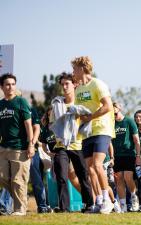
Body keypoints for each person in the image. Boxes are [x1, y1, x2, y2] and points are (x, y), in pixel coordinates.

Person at [71, 56, 115, 214]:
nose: (73, 72)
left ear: (82, 68)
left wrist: (90, 117)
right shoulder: (78, 89)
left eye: (74, 69)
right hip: (86, 132)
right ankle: (98, 201)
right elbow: (78, 112)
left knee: (97, 165)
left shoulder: (97, 84)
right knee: (90, 169)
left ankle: (107, 201)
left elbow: (108, 106)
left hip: (102, 129)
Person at [49, 72, 94, 213]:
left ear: (75, 84)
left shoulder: (81, 104)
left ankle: (88, 205)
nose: (64, 86)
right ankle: (64, 208)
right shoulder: (57, 104)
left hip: (78, 144)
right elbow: (52, 124)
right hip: (61, 145)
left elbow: (89, 120)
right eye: (62, 84)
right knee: (61, 176)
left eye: (67, 83)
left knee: (83, 176)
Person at [0, 73, 34, 216]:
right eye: (7, 84)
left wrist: (31, 144)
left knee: (18, 180)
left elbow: (29, 125)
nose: (11, 87)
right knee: (2, 177)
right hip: (3, 148)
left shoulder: (21, 102)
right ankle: (20, 201)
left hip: (20, 148)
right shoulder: (0, 104)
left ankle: (20, 210)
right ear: (2, 87)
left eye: (13, 84)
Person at [112, 102, 140, 212]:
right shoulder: (111, 123)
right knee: (119, 179)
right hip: (116, 155)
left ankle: (134, 197)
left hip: (129, 153)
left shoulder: (129, 121)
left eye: (115, 107)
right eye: (111, 107)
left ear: (120, 108)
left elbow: (136, 140)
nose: (113, 109)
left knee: (128, 177)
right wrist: (111, 156)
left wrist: (138, 156)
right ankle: (123, 205)